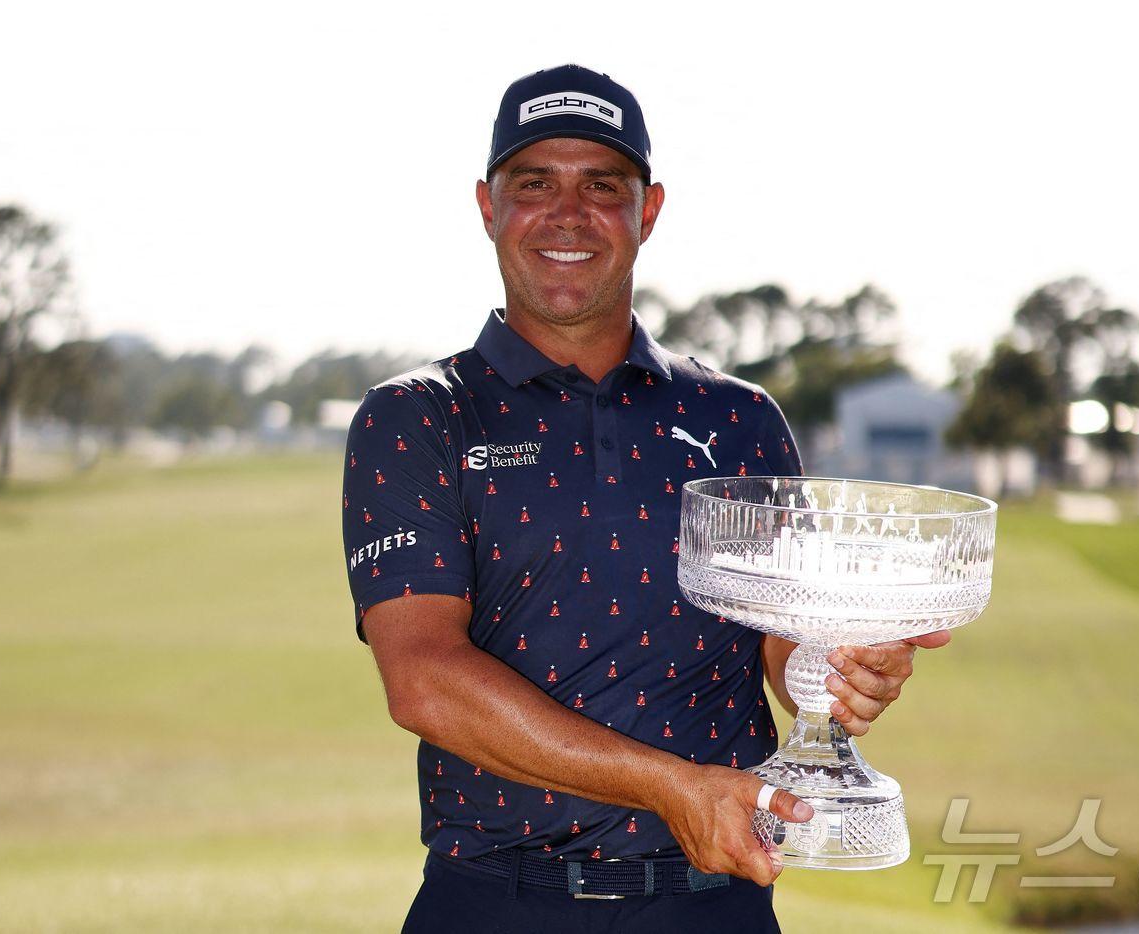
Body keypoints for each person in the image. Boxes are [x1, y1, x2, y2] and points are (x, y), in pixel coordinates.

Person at [340, 64, 950, 933]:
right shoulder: (416, 417)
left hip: (711, 906)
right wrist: (672, 788)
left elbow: (784, 651)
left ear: (648, 211)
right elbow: (425, 682)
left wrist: (844, 673)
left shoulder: (739, 419)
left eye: (603, 185)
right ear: (486, 206)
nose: (567, 214)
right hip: (493, 903)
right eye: (534, 184)